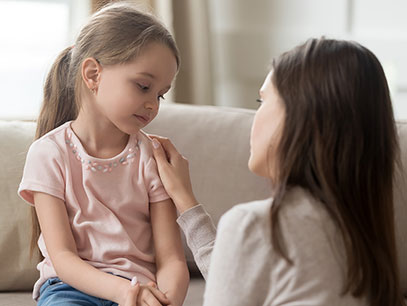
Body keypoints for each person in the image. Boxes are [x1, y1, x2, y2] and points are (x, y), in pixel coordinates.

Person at [151, 38, 406, 305]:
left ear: (301, 118)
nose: (255, 116)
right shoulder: (367, 241)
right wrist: (185, 201)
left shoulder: (255, 225)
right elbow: (242, 278)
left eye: (262, 101)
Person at [18, 3, 189, 306]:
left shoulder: (152, 156)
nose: (153, 105)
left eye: (160, 94)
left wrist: (167, 300)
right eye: (143, 86)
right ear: (93, 74)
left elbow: (172, 258)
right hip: (68, 288)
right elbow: (63, 257)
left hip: (140, 289)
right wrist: (121, 292)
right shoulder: (48, 154)